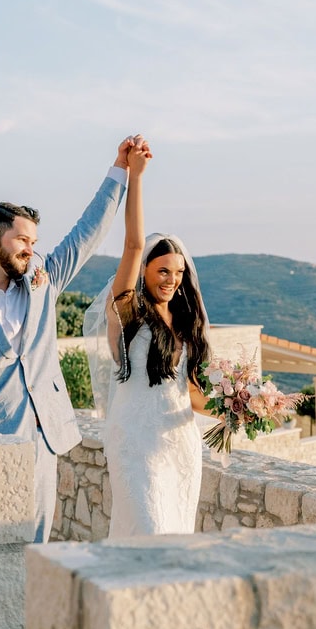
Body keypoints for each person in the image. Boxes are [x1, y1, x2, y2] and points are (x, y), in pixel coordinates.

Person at [0, 135, 148, 543]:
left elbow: (86, 234)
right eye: (22, 240)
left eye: (34, 243)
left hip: (43, 444)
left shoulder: (41, 283)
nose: (30, 250)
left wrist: (120, 170)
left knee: (36, 553)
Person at [84, 143, 211, 538]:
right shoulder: (127, 313)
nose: (171, 279)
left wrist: (238, 408)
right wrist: (135, 177)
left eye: (177, 272)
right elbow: (133, 245)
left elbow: (188, 393)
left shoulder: (185, 323)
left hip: (179, 446)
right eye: (162, 271)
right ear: (144, 272)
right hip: (135, 445)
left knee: (173, 539)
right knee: (149, 532)